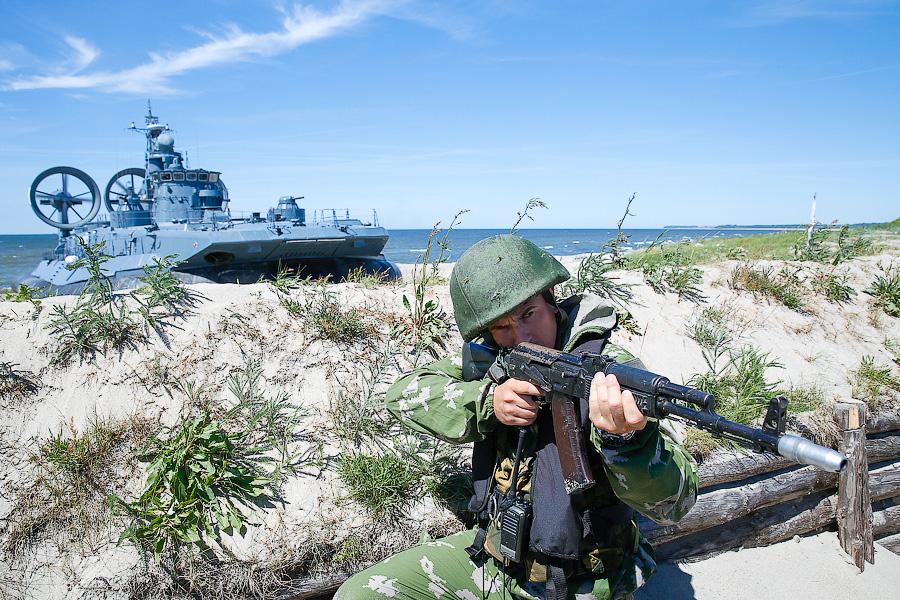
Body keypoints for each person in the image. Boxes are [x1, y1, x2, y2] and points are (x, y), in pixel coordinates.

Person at [336, 234, 698, 600]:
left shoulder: (611, 372)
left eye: (528, 315)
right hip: (496, 560)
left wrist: (628, 444)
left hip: (583, 583)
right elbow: (403, 394)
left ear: (551, 301)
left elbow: (675, 504)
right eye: (503, 327)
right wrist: (488, 401)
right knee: (360, 594)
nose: (522, 336)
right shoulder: (498, 360)